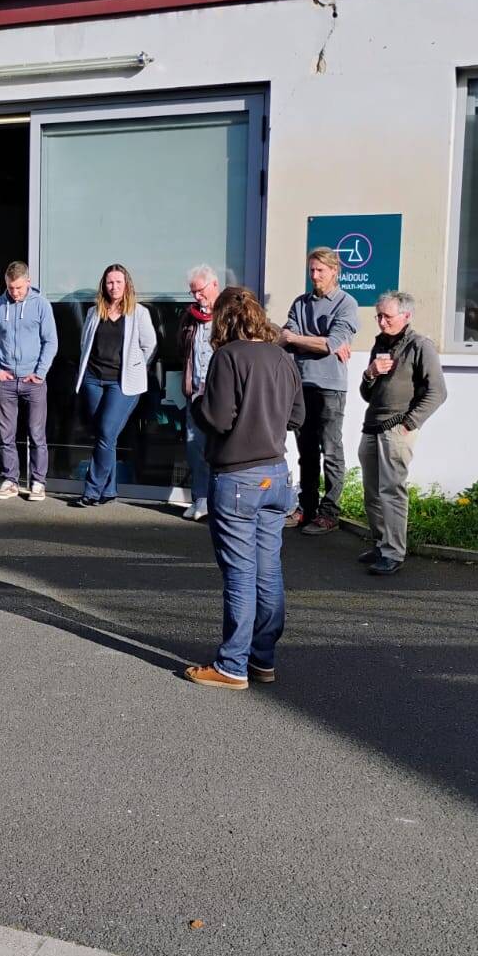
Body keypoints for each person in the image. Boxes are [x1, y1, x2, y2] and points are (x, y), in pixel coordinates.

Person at [185, 286, 304, 691]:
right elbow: (297, 417)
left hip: (238, 477)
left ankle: (232, 665)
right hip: (277, 475)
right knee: (268, 571)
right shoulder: (282, 357)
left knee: (240, 574)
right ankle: (262, 659)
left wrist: (196, 402)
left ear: (223, 319)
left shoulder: (228, 357)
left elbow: (217, 419)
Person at [358, 291, 447, 576]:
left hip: (396, 427)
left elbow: (437, 392)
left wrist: (410, 422)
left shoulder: (420, 346)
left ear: (406, 316)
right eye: (379, 316)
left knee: (392, 491)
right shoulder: (380, 344)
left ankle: (393, 553)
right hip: (372, 425)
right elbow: (367, 394)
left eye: (387, 316)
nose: (382, 322)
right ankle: (380, 544)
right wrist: (370, 373)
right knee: (372, 492)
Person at [281, 246, 359, 535]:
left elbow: (331, 344)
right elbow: (284, 338)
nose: (314, 275)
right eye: (311, 270)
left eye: (320, 270)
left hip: (330, 388)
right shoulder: (300, 303)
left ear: (334, 271)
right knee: (307, 452)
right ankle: (307, 508)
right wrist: (309, 341)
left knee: (332, 451)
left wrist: (299, 339)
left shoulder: (346, 303)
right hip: (301, 385)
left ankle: (330, 513)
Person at [72, 264, 157, 507]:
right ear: (104, 285)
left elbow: (149, 346)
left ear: (127, 284)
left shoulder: (139, 313)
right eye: (110, 282)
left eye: (119, 282)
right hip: (93, 380)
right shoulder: (94, 312)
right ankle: (109, 490)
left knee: (107, 431)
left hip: (122, 384)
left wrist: (136, 367)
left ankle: (92, 490)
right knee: (103, 436)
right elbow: (85, 344)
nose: (114, 287)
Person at [0, 261, 57, 501]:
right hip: (6, 380)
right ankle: (10, 481)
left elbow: (50, 341)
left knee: (36, 433)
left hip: (33, 380)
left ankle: (38, 482)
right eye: (10, 288)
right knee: (6, 434)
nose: (14, 292)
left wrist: (40, 372)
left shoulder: (41, 305)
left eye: (19, 288)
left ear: (28, 282)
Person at [175, 265, 220, 521]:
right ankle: (200, 498)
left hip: (220, 392)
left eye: (200, 291)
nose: (196, 296)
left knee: (218, 448)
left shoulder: (228, 314)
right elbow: (181, 347)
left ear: (214, 285)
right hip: (195, 390)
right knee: (195, 446)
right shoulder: (190, 317)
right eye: (192, 292)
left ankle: (217, 500)